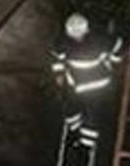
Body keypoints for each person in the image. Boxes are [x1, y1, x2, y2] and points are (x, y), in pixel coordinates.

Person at [50, 13, 124, 150]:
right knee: (70, 110)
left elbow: (117, 46)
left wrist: (114, 62)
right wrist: (59, 74)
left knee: (92, 117)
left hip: (98, 86)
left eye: (79, 33)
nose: (77, 37)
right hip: (77, 85)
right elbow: (56, 58)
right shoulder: (62, 43)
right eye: (74, 34)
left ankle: (85, 147)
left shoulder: (99, 40)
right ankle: (75, 132)